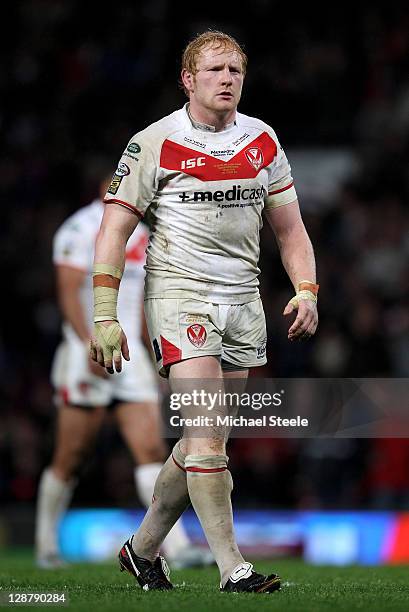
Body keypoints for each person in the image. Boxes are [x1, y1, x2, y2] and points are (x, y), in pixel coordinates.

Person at [90, 30, 319, 593]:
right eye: (215, 70)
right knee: (208, 436)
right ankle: (233, 569)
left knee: (204, 441)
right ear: (188, 80)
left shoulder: (261, 140)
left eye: (235, 71)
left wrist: (307, 289)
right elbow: (114, 231)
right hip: (179, 294)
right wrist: (104, 313)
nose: (227, 80)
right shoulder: (154, 142)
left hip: (243, 299)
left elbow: (290, 230)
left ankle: (141, 550)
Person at [35, 175, 214, 570]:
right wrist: (88, 344)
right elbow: (67, 292)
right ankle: (46, 545)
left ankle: (178, 548)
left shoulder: (143, 234)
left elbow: (146, 301)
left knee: (151, 451)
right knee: (72, 455)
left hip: (130, 357)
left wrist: (158, 358)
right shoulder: (80, 227)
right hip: (87, 353)